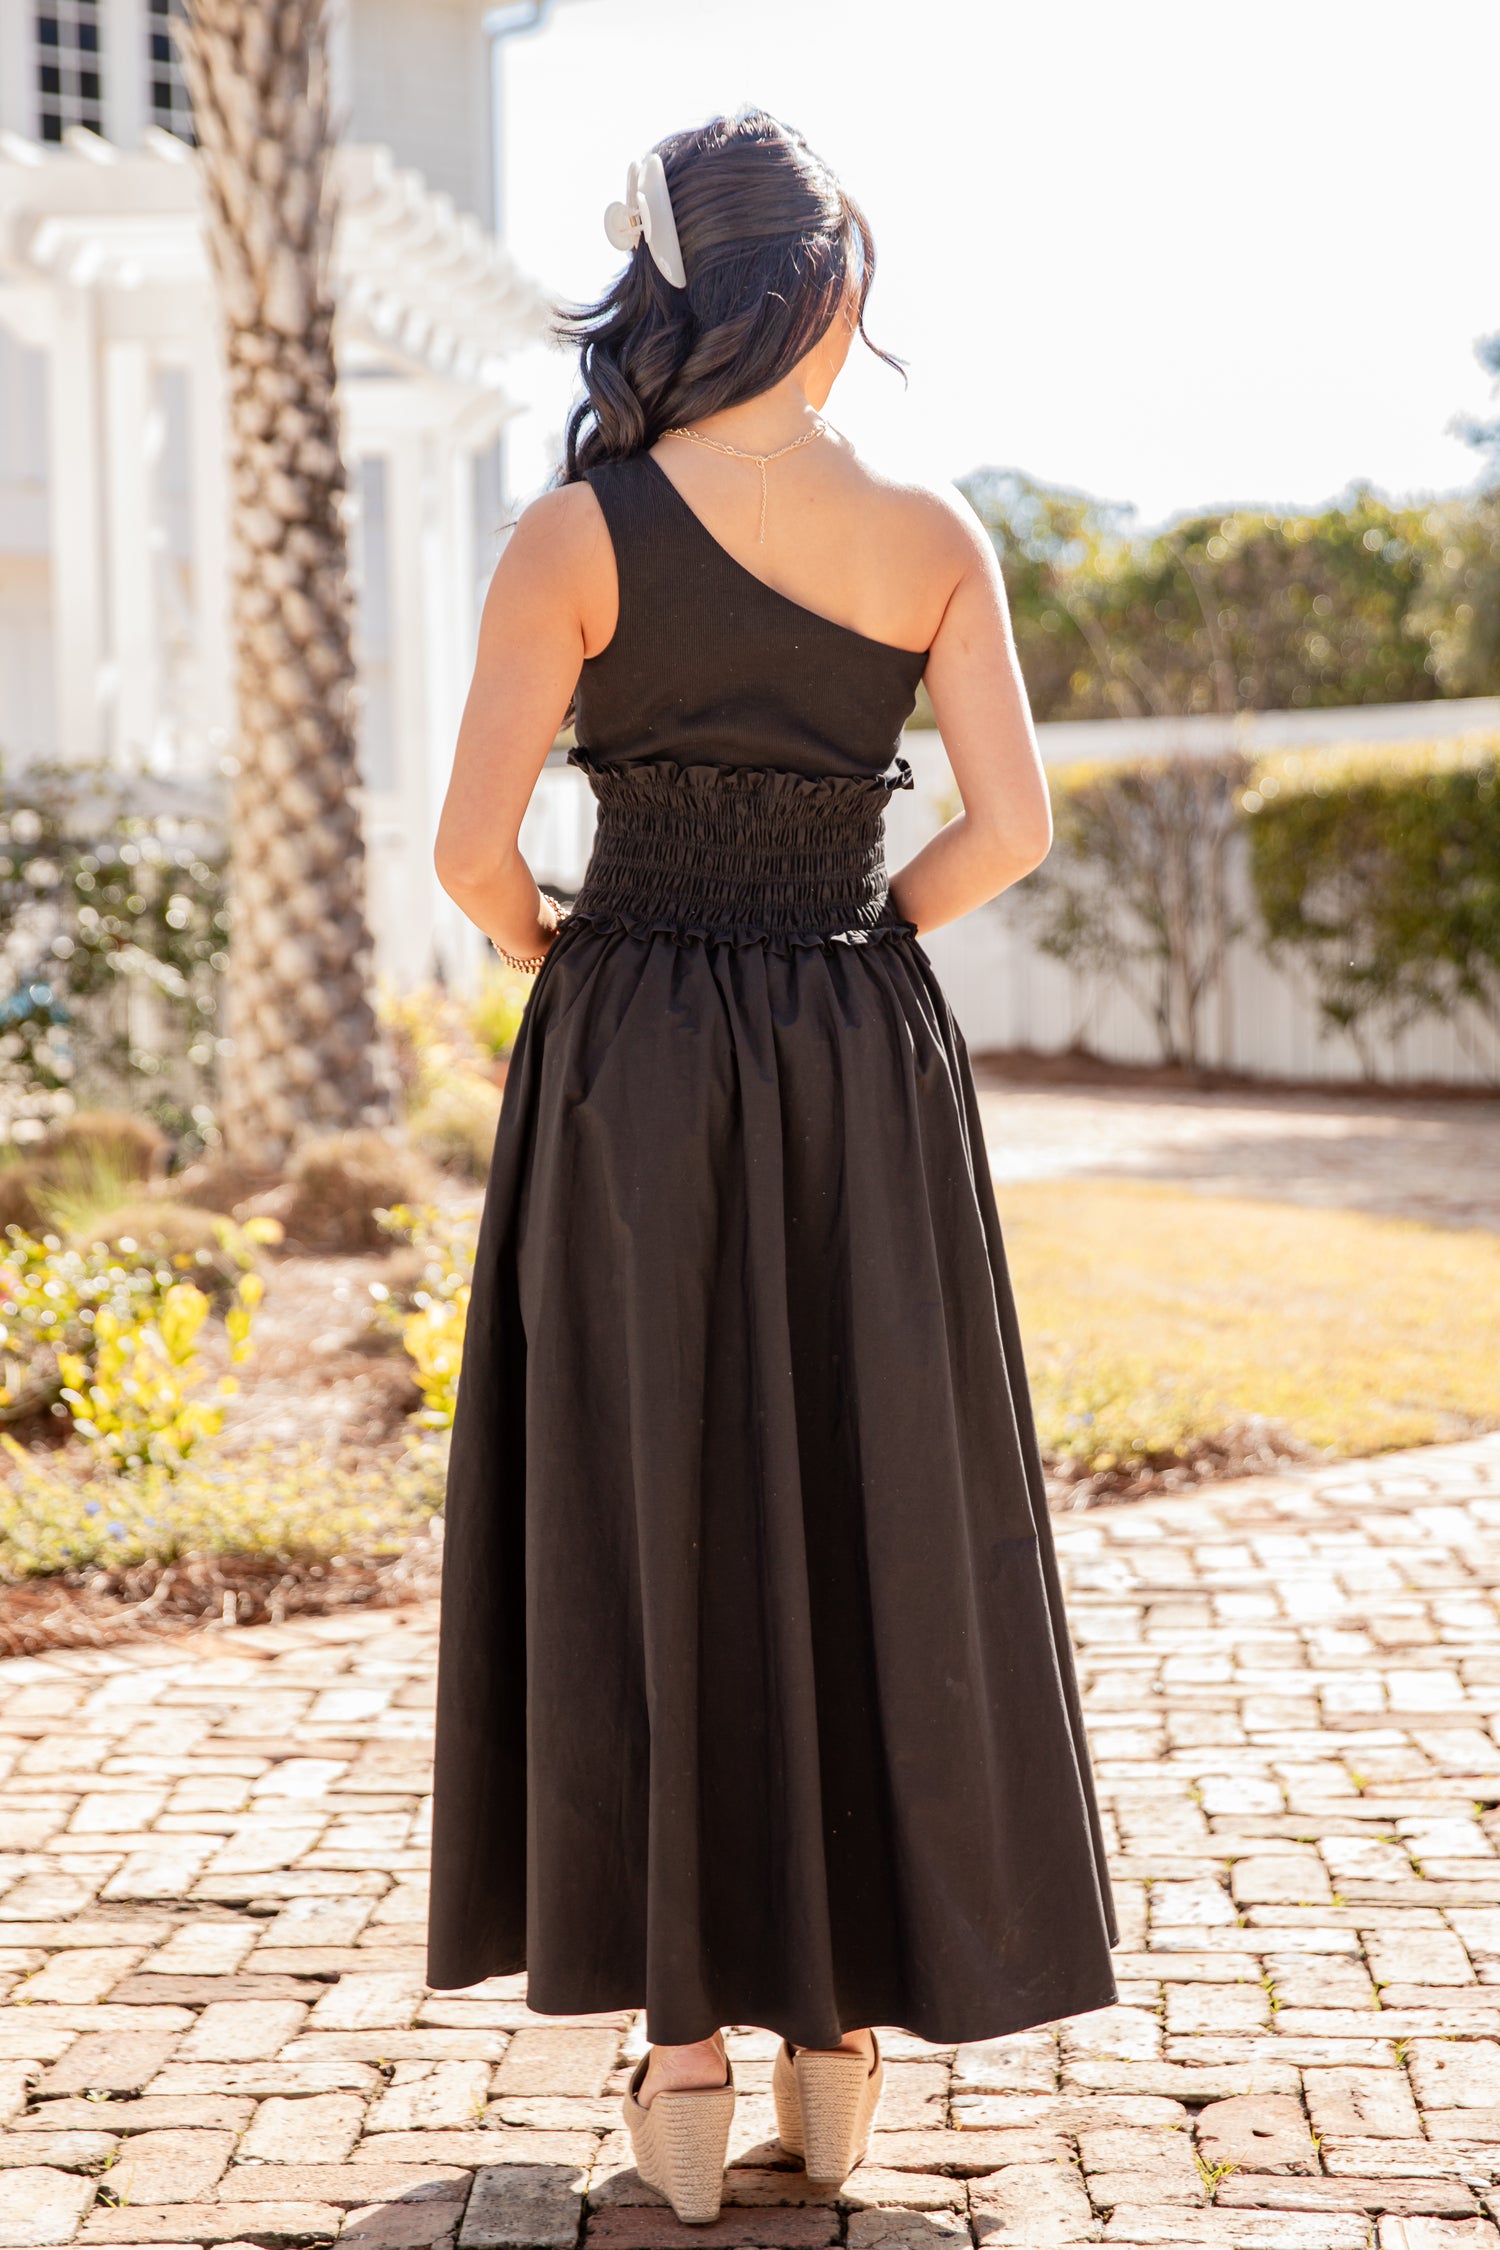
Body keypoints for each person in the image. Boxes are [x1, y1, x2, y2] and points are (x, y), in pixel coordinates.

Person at [426, 107, 1116, 2227]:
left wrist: (598, 964)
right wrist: (849, 943)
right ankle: (841, 2058)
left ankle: (686, 2062)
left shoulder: (578, 531)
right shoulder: (930, 534)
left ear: (670, 281)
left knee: (652, 1509)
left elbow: (467, 859)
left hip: (629, 1050)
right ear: (825, 282)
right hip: (853, 1049)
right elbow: (1009, 833)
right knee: (867, 1494)